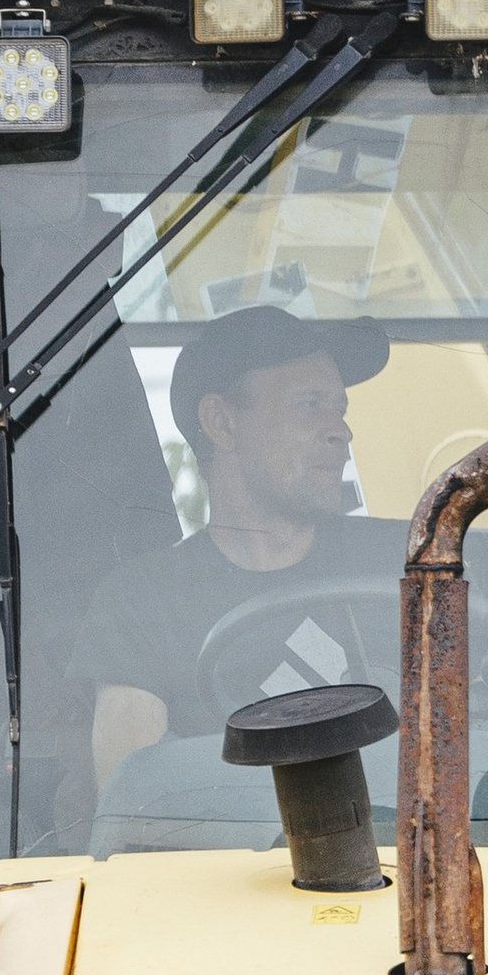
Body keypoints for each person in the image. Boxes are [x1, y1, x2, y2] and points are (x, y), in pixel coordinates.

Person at [68, 304, 399, 795]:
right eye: (310, 405)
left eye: (339, 408)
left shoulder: (411, 560)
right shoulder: (140, 603)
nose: (341, 430)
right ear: (222, 423)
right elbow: (134, 808)